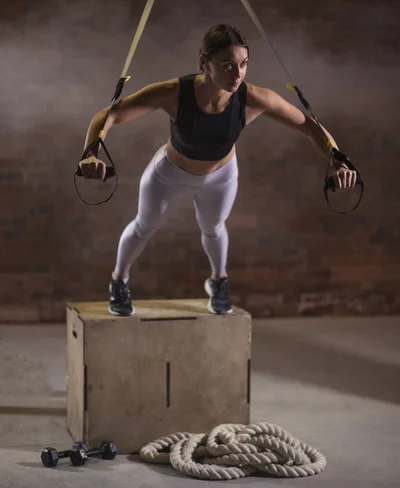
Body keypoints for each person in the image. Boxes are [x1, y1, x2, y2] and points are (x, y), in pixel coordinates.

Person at [79, 24, 357, 317]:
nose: (237, 74)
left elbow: (310, 127)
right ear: (203, 63)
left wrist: (338, 160)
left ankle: (218, 281)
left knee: (213, 228)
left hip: (220, 177)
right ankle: (119, 281)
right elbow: (108, 116)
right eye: (227, 65)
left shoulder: (253, 99)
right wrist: (90, 154)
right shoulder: (175, 92)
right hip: (170, 174)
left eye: (243, 64)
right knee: (145, 225)